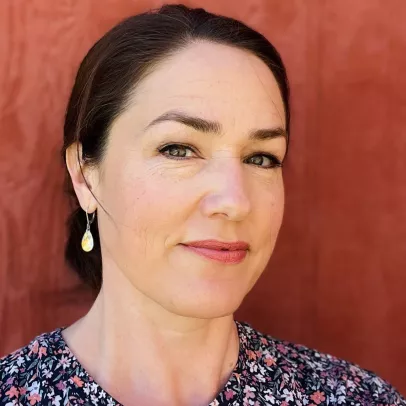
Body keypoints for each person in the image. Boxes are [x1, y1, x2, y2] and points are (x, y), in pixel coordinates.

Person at [0, 4, 404, 406]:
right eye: (178, 149)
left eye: (261, 157)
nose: (234, 201)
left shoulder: (357, 398)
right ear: (85, 175)